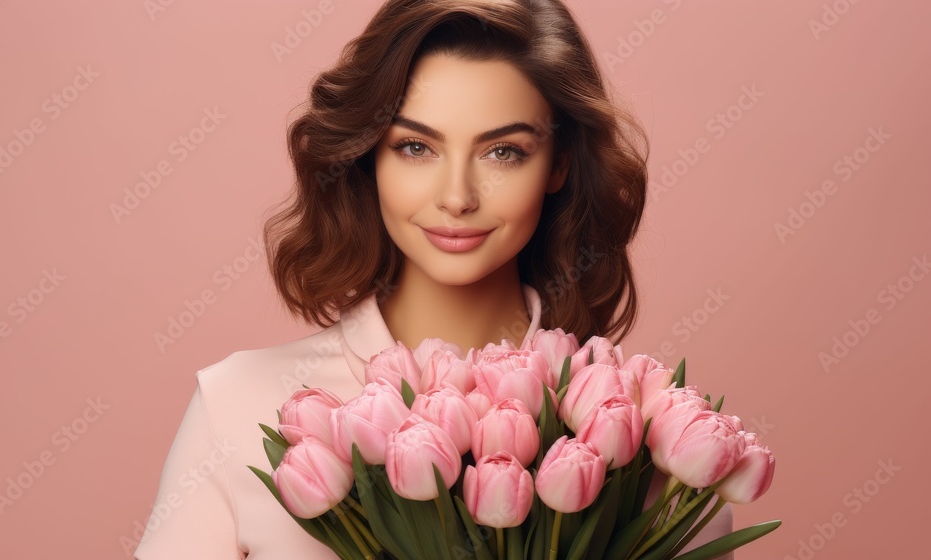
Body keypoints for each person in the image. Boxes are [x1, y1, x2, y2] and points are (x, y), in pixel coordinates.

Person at [134, 0, 734, 558]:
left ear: (560, 165)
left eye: (504, 152)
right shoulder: (239, 404)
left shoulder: (649, 442)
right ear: (369, 155)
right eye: (416, 147)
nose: (456, 198)